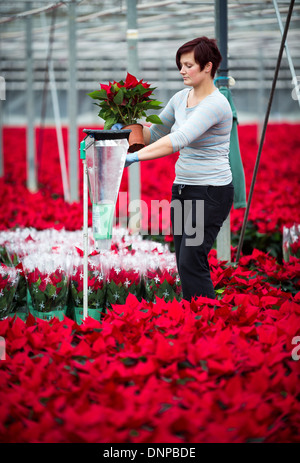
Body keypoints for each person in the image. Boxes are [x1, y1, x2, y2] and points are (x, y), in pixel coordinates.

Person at [124, 36, 234, 302]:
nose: (182, 71)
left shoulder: (216, 104)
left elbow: (178, 139)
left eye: (188, 65)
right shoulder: (180, 97)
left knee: (191, 258)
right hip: (183, 189)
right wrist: (128, 131)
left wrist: (134, 159)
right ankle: (195, 318)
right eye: (180, 65)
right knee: (183, 258)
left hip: (210, 192)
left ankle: (207, 319)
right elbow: (158, 132)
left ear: (208, 67)